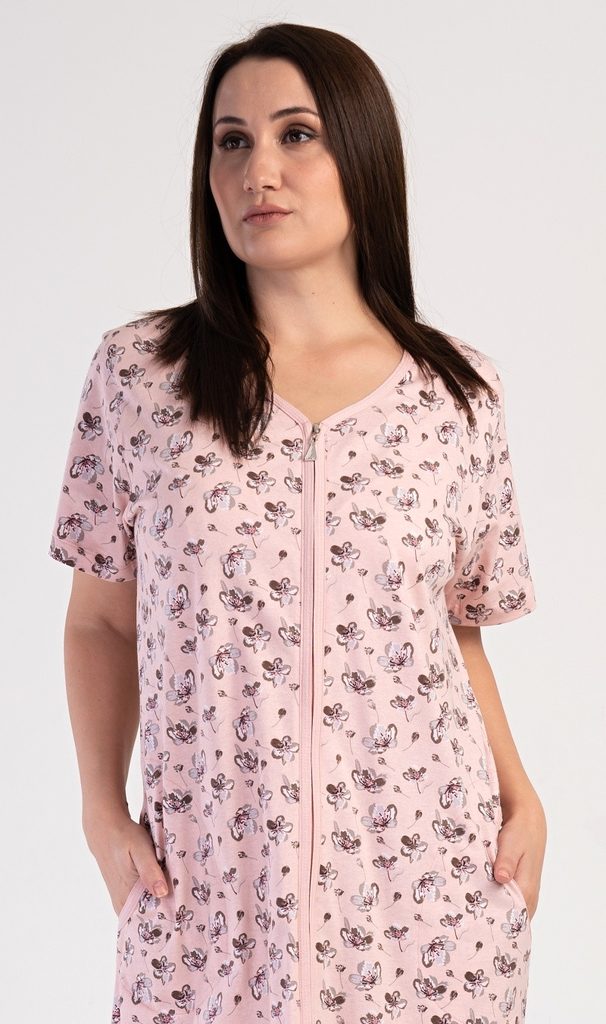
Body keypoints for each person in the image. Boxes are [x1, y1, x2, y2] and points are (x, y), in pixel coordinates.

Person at [48, 21, 547, 1024]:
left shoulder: (458, 395)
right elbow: (101, 620)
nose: (258, 170)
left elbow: (456, 630)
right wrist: (102, 811)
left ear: (361, 153)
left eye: (295, 134)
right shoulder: (141, 377)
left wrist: (523, 795)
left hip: (425, 906)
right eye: (231, 141)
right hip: (209, 911)